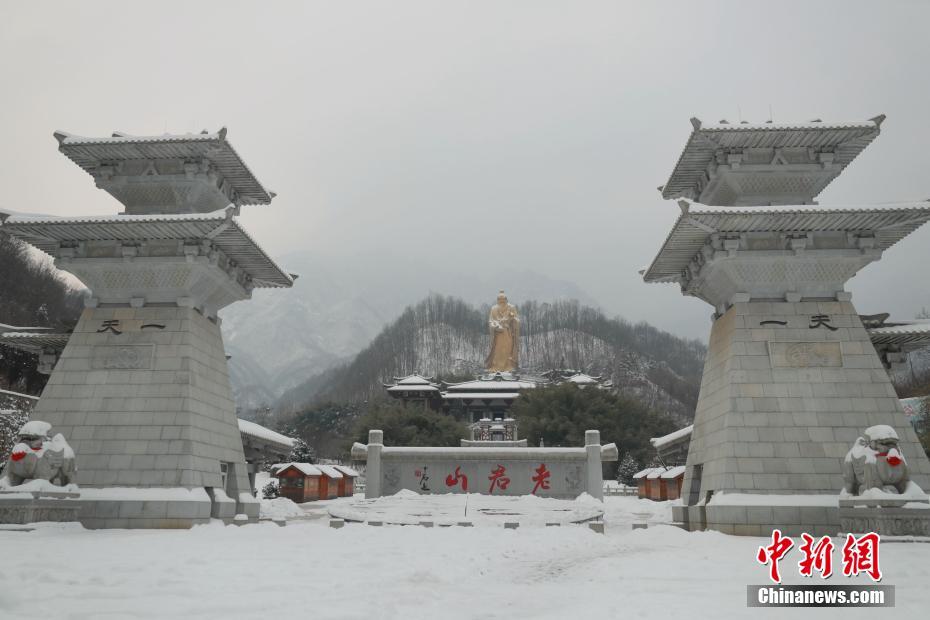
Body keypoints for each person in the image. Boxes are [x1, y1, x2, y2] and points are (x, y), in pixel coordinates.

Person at [485, 291, 519, 372]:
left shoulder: (511, 307)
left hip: (508, 333)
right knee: (497, 351)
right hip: (497, 335)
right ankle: (495, 366)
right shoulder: (493, 309)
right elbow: (490, 321)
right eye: (499, 300)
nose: (501, 302)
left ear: (506, 299)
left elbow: (517, 320)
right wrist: (494, 326)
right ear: (497, 300)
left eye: (503, 300)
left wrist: (512, 319)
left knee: (507, 350)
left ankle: (508, 366)